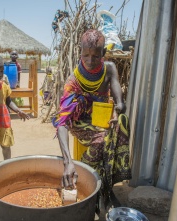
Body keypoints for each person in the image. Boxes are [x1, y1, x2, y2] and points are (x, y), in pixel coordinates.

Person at [52, 29, 131, 210]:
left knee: (122, 125)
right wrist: (68, 161)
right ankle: (84, 172)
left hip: (101, 117)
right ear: (80, 52)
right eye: (85, 55)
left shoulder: (108, 68)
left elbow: (116, 87)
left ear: (103, 54)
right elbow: (62, 122)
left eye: (95, 56)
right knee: (102, 141)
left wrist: (119, 105)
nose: (89, 60)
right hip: (80, 121)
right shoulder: (74, 81)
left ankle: (105, 184)